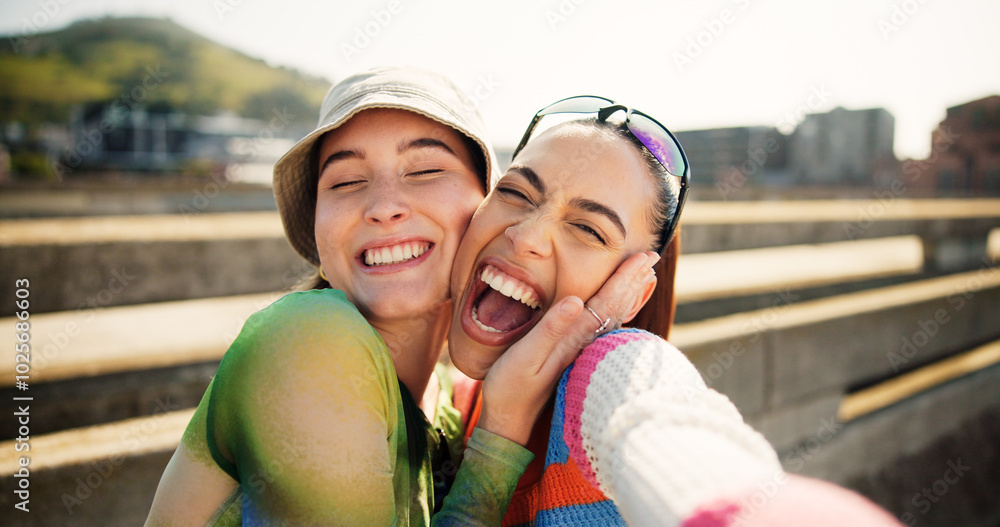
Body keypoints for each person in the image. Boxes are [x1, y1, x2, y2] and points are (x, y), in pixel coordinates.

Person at [145, 68, 650, 526]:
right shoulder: (310, 340)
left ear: (483, 211)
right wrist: (501, 433)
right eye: (345, 181)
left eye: (425, 170)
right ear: (319, 236)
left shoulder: (449, 401)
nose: (384, 207)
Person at [446, 96, 904, 526]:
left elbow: (669, 434)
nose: (527, 236)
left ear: (631, 291)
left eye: (588, 228)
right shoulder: (452, 398)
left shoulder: (613, 375)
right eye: (517, 193)